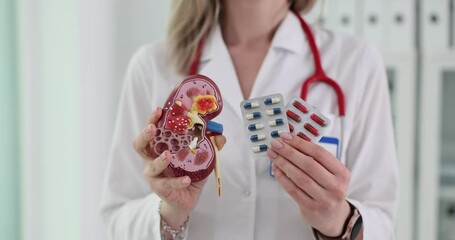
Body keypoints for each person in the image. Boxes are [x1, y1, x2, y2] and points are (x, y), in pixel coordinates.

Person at [100, 0, 399, 239]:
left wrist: (338, 220)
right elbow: (116, 220)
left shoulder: (355, 62)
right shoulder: (152, 65)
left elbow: (383, 220)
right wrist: (169, 213)